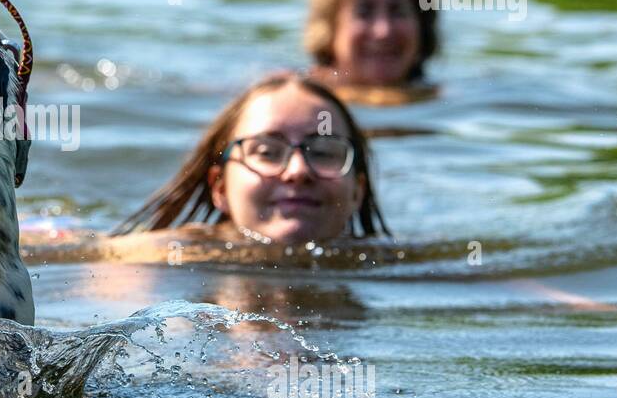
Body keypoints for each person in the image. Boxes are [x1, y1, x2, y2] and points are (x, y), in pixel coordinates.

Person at [22, 72, 388, 265]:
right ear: (220, 188)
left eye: (323, 152)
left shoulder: (389, 264)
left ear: (356, 189)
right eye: (266, 150)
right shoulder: (166, 256)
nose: (297, 170)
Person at [305, 0, 439, 103]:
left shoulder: (448, 99)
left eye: (398, 11)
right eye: (364, 12)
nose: (383, 31)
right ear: (330, 28)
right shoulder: (298, 101)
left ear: (422, 28)